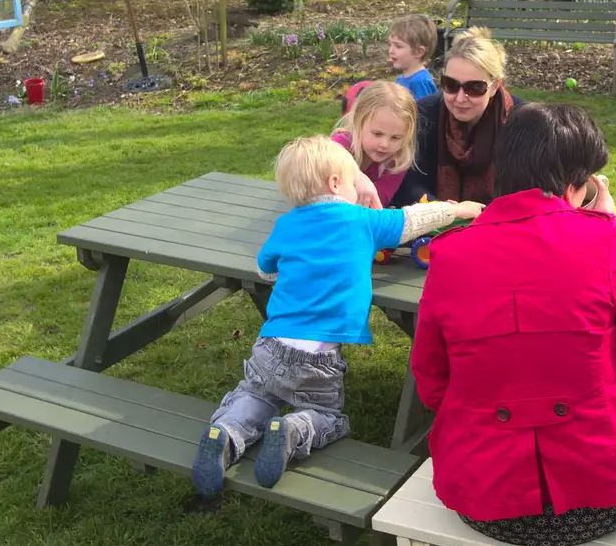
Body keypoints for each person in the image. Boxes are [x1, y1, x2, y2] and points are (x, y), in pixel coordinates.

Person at [412, 103, 616, 546]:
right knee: (586, 447)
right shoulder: (601, 240)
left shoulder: (450, 255)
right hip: (601, 496)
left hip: (484, 501)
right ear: (576, 185)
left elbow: (432, 383)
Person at [192, 136, 481, 495]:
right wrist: (458, 209)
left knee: (256, 394)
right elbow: (411, 219)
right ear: (335, 183)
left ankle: (229, 431)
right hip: (318, 356)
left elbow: (265, 268)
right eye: (352, 181)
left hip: (271, 344)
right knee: (327, 415)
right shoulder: (362, 221)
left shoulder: (286, 225)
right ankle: (295, 430)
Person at [394, 27, 522, 206]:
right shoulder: (424, 115)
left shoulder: (523, 122)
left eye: (475, 88)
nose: (460, 98)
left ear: (495, 86)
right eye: (451, 85)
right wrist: (447, 212)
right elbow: (406, 182)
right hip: (436, 223)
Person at [331, 81, 417, 211]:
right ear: (358, 122)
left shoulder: (397, 161)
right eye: (377, 134)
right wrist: (358, 177)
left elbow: (377, 203)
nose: (384, 144)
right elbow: (329, 159)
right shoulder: (341, 144)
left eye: (395, 137)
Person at [388, 13, 440, 100]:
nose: (390, 51)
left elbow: (424, 112)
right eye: (390, 44)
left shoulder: (419, 82)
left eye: (398, 46)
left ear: (418, 52)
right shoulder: (400, 79)